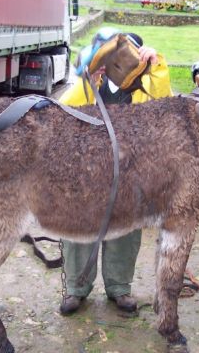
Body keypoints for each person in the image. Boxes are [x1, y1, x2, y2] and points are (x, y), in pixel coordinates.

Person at [58, 28, 172, 315]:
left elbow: (164, 106)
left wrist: (155, 65)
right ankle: (76, 288)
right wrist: (88, 82)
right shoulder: (89, 85)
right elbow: (62, 112)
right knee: (77, 228)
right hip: (89, 175)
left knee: (126, 233)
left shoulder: (146, 87)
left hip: (131, 178)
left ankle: (119, 288)